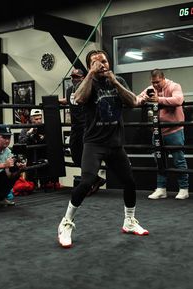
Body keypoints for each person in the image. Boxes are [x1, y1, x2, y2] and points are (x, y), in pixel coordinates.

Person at [57, 50, 149, 248]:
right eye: (96, 62)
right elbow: (80, 98)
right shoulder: (87, 83)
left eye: (104, 61)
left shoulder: (119, 80)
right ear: (90, 66)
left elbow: (133, 102)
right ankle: (66, 223)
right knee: (86, 182)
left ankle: (129, 221)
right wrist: (90, 74)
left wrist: (115, 82)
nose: (102, 64)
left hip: (115, 144)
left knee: (129, 182)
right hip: (94, 143)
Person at [138, 69, 189, 200]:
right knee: (159, 160)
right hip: (157, 131)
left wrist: (159, 99)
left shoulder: (174, 86)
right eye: (153, 82)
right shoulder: (150, 89)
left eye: (157, 82)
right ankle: (161, 189)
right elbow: (137, 99)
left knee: (179, 160)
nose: (155, 85)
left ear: (163, 78)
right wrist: (143, 99)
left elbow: (178, 100)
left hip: (174, 130)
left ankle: (184, 189)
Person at [60, 68, 106, 195]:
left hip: (87, 127)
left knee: (87, 157)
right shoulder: (69, 90)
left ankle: (89, 182)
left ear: (83, 78)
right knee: (75, 156)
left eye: (77, 77)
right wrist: (57, 101)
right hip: (75, 128)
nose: (75, 79)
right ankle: (96, 179)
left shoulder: (88, 89)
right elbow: (69, 100)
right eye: (73, 77)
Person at [18, 109, 62, 189]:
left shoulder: (45, 128)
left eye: (40, 118)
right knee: (31, 184)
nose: (39, 121)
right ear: (31, 119)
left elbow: (53, 142)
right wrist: (29, 133)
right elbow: (21, 143)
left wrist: (45, 138)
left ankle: (44, 186)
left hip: (43, 156)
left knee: (45, 182)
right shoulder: (26, 129)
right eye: (36, 119)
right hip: (31, 156)